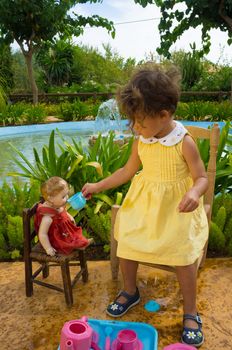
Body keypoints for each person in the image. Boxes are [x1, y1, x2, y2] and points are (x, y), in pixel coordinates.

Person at [82, 65, 208, 347]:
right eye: (134, 122)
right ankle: (130, 291)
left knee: (183, 253)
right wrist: (98, 186)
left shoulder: (184, 143)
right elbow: (126, 172)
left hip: (177, 209)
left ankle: (190, 311)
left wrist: (195, 193)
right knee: (127, 238)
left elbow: (200, 177)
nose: (136, 128)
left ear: (164, 115)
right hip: (145, 205)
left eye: (140, 122)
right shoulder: (142, 140)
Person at [35, 176, 92, 256]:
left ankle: (81, 243)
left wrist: (69, 217)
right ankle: (80, 245)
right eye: (63, 197)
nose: (67, 198)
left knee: (76, 236)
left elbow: (63, 212)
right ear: (51, 199)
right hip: (55, 240)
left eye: (67, 194)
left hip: (63, 233)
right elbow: (42, 234)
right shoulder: (47, 217)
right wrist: (48, 248)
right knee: (69, 242)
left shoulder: (57, 205)